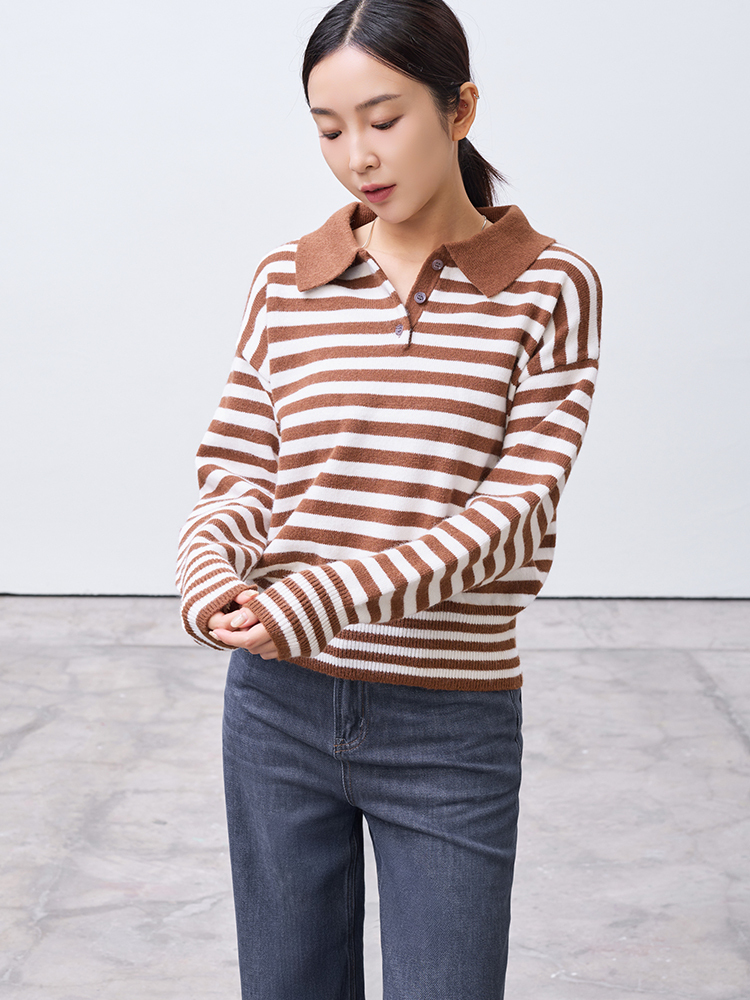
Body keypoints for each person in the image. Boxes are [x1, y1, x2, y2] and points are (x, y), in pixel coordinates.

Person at [176, 1, 602, 996]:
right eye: (329, 130)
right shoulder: (288, 280)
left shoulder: (550, 287)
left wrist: (320, 596)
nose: (357, 156)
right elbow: (238, 468)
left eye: (384, 119)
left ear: (461, 109)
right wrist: (207, 575)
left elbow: (513, 515)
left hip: (448, 722)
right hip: (275, 706)